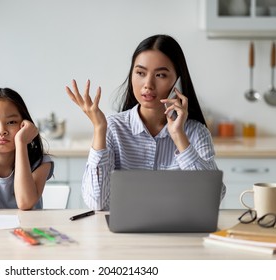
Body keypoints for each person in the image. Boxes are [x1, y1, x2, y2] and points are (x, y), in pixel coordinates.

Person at [66, 34, 225, 211]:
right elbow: (97, 202)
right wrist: (99, 128)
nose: (148, 84)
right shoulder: (113, 128)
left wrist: (179, 136)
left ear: (178, 82)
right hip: (124, 235)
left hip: (178, 234)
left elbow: (212, 199)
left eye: (161, 75)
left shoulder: (196, 132)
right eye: (140, 73)